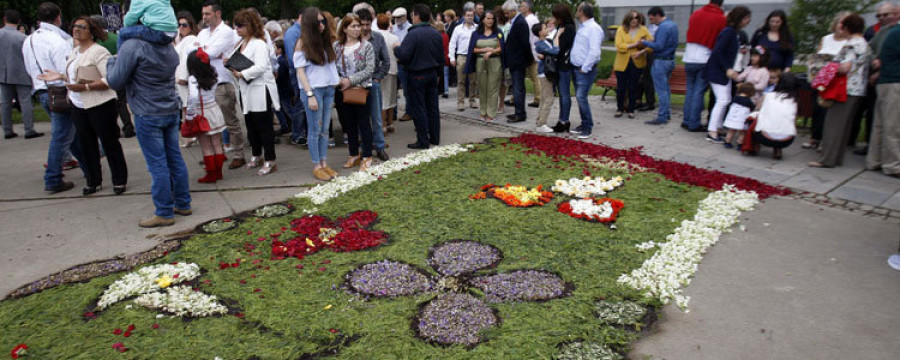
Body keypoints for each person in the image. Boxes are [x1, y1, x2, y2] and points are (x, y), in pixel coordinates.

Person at [107, 1, 191, 228]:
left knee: (158, 164)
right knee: (174, 158)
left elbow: (115, 81)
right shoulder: (168, 46)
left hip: (147, 112)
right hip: (169, 109)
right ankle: (183, 202)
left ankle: (164, 212)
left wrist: (110, 62)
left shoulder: (133, 46)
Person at [40, 16, 127, 196]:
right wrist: (60, 76)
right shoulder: (74, 52)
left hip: (100, 103)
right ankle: (93, 180)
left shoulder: (99, 52)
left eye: (82, 27)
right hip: (78, 105)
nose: (77, 29)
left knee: (109, 143)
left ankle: (119, 179)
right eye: (75, 26)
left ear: (91, 31)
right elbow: (75, 75)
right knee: (87, 145)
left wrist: (85, 87)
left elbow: (109, 79)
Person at [23, 2, 84, 193]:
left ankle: (89, 166)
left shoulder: (30, 40)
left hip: (42, 90)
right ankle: (53, 178)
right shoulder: (57, 41)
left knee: (68, 135)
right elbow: (66, 69)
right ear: (58, 17)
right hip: (58, 91)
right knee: (61, 137)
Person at [809, 14, 870, 168]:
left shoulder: (851, 44)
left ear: (847, 28)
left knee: (833, 125)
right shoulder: (863, 43)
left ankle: (827, 159)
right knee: (844, 126)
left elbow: (845, 67)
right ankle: (836, 158)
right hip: (857, 89)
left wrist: (828, 65)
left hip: (844, 88)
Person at [230, 9, 281, 176]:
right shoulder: (241, 43)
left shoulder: (259, 43)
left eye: (240, 25)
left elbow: (260, 66)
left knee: (263, 125)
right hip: (246, 89)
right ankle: (256, 154)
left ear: (250, 25)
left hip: (259, 89)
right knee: (251, 124)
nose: (236, 29)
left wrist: (242, 73)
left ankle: (270, 159)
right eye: (235, 25)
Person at [198, 0, 247, 169]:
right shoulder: (203, 33)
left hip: (221, 82)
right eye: (203, 14)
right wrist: (206, 51)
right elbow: (196, 52)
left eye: (207, 14)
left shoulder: (226, 32)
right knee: (211, 123)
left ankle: (239, 154)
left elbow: (209, 53)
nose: (204, 17)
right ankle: (217, 153)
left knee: (230, 121)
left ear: (217, 14)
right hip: (206, 83)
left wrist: (206, 51)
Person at [295, 7, 340, 181]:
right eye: (318, 22)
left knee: (324, 130)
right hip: (314, 90)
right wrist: (309, 94)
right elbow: (300, 72)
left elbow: (330, 66)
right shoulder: (302, 43)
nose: (321, 25)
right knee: (315, 129)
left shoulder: (325, 41)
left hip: (328, 89)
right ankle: (317, 165)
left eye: (323, 21)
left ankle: (324, 162)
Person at [394, 4, 444, 149]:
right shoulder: (436, 33)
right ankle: (435, 137)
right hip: (432, 74)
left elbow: (404, 54)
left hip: (417, 75)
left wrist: (397, 47)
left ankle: (423, 140)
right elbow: (441, 57)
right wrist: (439, 74)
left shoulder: (413, 34)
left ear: (417, 16)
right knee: (433, 107)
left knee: (419, 108)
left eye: (412, 15)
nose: (412, 17)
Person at [853, 3, 899, 156]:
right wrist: (875, 60)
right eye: (879, 16)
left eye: (886, 15)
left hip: (885, 77)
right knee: (882, 120)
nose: (883, 18)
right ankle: (884, 158)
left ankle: (877, 157)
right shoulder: (879, 31)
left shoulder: (891, 30)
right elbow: (869, 48)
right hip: (883, 79)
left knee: (885, 122)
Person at [802, 12, 852, 150]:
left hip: (836, 81)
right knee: (817, 109)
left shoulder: (849, 42)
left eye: (846, 23)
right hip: (820, 79)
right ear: (835, 23)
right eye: (841, 22)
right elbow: (817, 57)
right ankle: (814, 137)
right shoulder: (826, 39)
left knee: (829, 112)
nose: (842, 26)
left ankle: (826, 140)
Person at [334, 13, 376, 172]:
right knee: (348, 124)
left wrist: (350, 80)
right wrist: (338, 80)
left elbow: (370, 69)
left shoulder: (367, 46)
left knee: (364, 123)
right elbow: (332, 67)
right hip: (342, 91)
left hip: (361, 89)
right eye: (353, 26)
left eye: (358, 26)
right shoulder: (337, 47)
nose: (357, 29)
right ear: (344, 28)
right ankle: (353, 154)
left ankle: (367, 155)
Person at [705, 6, 751, 144]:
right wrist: (727, 69)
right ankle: (712, 130)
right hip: (718, 71)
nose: (748, 21)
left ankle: (717, 127)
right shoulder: (728, 32)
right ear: (739, 18)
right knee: (723, 100)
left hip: (721, 70)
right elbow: (718, 51)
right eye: (746, 18)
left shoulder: (732, 32)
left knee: (726, 98)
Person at [681, 0, 726, 132]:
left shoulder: (696, 13)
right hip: (704, 57)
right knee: (699, 92)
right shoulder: (720, 18)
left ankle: (686, 120)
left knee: (690, 90)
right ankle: (694, 123)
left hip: (689, 56)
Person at [354, 6, 390, 161]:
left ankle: (380, 146)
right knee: (361, 118)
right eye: (362, 24)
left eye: (368, 24)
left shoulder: (378, 37)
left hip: (373, 82)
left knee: (376, 117)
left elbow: (386, 61)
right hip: (357, 83)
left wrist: (378, 77)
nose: (365, 28)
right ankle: (365, 147)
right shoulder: (353, 40)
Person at [866, 14, 900, 178]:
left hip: (886, 81)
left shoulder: (892, 32)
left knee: (880, 124)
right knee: (893, 126)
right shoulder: (897, 32)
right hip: (894, 81)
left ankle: (875, 160)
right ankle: (893, 165)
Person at [186, 49, 227, 183]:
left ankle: (211, 174)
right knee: (216, 143)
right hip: (214, 110)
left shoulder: (193, 79)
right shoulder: (214, 75)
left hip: (201, 113)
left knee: (206, 146)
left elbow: (193, 98)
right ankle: (219, 172)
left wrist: (189, 115)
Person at [1, 10, 42, 140]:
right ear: (18, 21)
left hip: (2, 73)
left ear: (4, 19)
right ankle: (29, 129)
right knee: (25, 102)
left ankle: (7, 130)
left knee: (5, 103)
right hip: (21, 72)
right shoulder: (22, 38)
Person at [742, 73, 799, 160]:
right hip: (787, 139)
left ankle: (755, 146)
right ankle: (777, 149)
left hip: (764, 137)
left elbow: (757, 109)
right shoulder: (795, 101)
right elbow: (793, 121)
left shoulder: (768, 96)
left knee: (754, 117)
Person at [567, 2, 603, 139]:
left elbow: (594, 51)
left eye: (577, 10)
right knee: (579, 97)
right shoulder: (583, 27)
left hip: (584, 70)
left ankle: (588, 127)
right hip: (576, 68)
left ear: (582, 12)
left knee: (581, 98)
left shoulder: (593, 28)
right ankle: (584, 123)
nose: (576, 12)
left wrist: (585, 67)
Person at [465, 10, 504, 122]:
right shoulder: (476, 33)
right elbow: (472, 49)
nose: (490, 21)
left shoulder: (498, 32)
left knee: (493, 88)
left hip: (495, 62)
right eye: (488, 18)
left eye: (492, 19)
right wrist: (484, 50)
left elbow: (502, 48)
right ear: (482, 19)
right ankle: (483, 112)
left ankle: (491, 113)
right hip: (481, 62)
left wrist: (492, 51)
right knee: (482, 88)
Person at [641, 6, 678, 126]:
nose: (651, 22)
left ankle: (662, 116)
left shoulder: (662, 27)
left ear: (657, 15)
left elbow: (659, 46)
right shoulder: (673, 25)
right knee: (666, 89)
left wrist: (644, 42)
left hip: (661, 61)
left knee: (661, 90)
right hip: (670, 60)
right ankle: (666, 113)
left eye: (652, 19)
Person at [614, 10, 653, 119]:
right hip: (622, 63)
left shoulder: (643, 30)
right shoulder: (621, 29)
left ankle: (631, 109)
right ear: (628, 19)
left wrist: (642, 50)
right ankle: (620, 108)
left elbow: (651, 45)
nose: (634, 20)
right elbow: (619, 46)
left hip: (637, 62)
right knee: (621, 87)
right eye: (632, 18)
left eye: (636, 18)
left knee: (633, 87)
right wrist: (635, 44)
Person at [503, 0, 533, 124]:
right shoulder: (515, 22)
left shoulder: (520, 22)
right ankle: (518, 111)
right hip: (515, 60)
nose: (505, 15)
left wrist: (527, 59)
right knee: (517, 87)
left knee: (518, 88)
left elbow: (525, 43)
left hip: (518, 61)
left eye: (506, 13)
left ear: (513, 11)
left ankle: (520, 114)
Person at [174, 11, 200, 149]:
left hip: (186, 80)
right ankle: (191, 136)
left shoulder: (190, 39)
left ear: (191, 25)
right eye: (179, 25)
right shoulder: (182, 40)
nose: (181, 27)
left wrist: (182, 78)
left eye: (184, 24)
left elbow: (186, 60)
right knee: (187, 108)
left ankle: (191, 136)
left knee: (189, 108)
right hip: (181, 80)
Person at [282, 8, 307, 146]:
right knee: (299, 104)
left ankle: (299, 133)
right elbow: (293, 59)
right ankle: (297, 134)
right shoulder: (293, 33)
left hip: (300, 71)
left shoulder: (298, 31)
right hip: (297, 72)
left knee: (301, 103)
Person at [550, 3, 576, 133]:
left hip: (564, 65)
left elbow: (559, 48)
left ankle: (564, 120)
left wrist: (557, 37)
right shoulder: (561, 26)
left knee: (564, 94)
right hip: (559, 64)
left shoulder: (568, 28)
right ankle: (562, 119)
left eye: (556, 16)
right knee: (562, 94)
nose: (554, 19)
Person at [449, 9, 478, 111]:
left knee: (473, 81)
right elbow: (452, 43)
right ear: (464, 17)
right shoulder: (458, 29)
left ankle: (472, 100)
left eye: (471, 15)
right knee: (461, 80)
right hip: (461, 56)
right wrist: (452, 57)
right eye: (468, 15)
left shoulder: (477, 28)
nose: (470, 17)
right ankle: (460, 102)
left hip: (473, 56)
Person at [532, 22, 558, 132]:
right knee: (548, 98)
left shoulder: (547, 41)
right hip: (545, 74)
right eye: (545, 28)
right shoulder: (540, 45)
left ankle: (539, 120)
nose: (547, 29)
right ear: (540, 32)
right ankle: (542, 123)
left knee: (544, 98)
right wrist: (556, 43)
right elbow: (555, 51)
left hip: (548, 73)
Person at [375, 14, 399, 135]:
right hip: (392, 69)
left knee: (382, 98)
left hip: (379, 70)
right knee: (391, 97)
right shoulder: (394, 38)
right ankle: (390, 123)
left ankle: (383, 126)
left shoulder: (375, 36)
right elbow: (398, 54)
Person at [722, 82, 756, 148]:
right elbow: (752, 109)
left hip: (732, 118)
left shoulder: (735, 98)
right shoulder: (748, 101)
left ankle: (727, 142)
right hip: (742, 120)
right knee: (742, 133)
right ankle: (740, 144)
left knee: (731, 131)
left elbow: (730, 105)